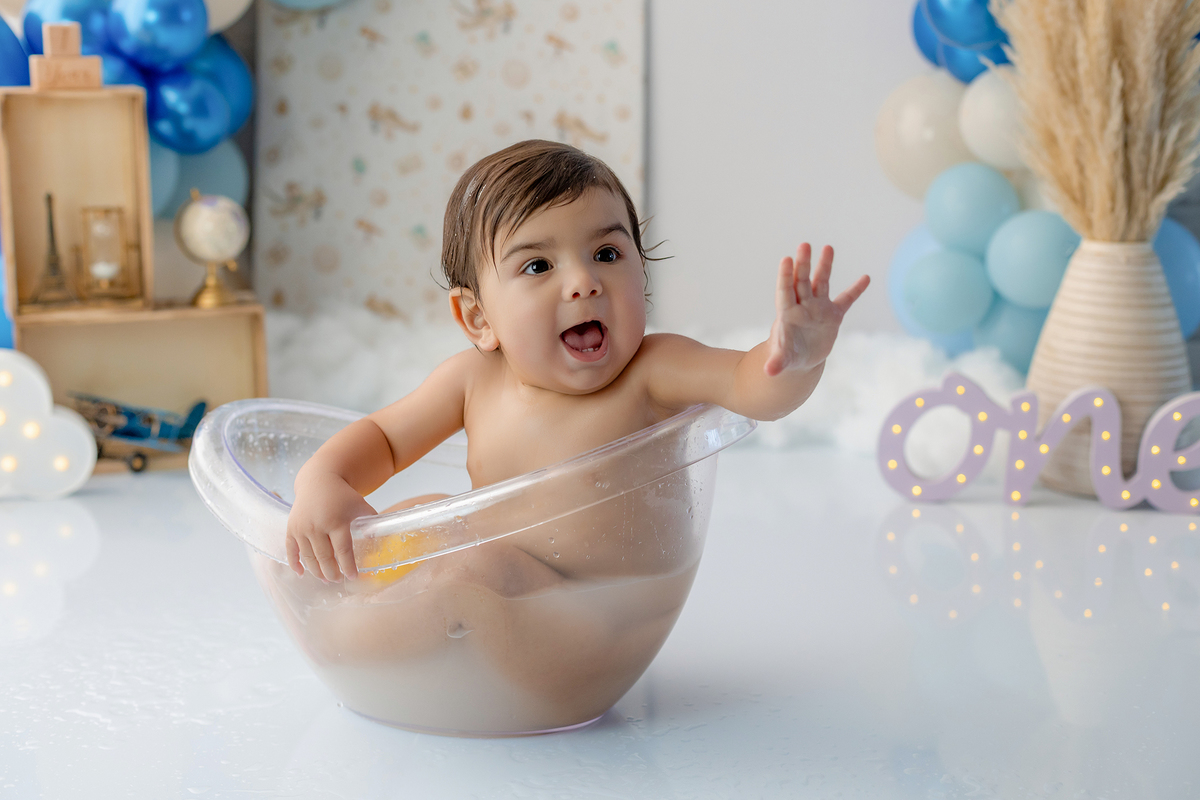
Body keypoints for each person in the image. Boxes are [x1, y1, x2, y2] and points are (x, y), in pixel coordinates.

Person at [285, 138, 869, 584]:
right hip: (491, 606)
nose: (584, 281)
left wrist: (794, 358)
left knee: (470, 564)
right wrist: (323, 481)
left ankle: (379, 638)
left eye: (607, 253)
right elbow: (384, 440)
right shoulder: (471, 382)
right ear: (478, 318)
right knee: (416, 518)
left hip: (605, 618)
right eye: (538, 266)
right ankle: (353, 622)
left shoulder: (653, 370)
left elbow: (751, 387)